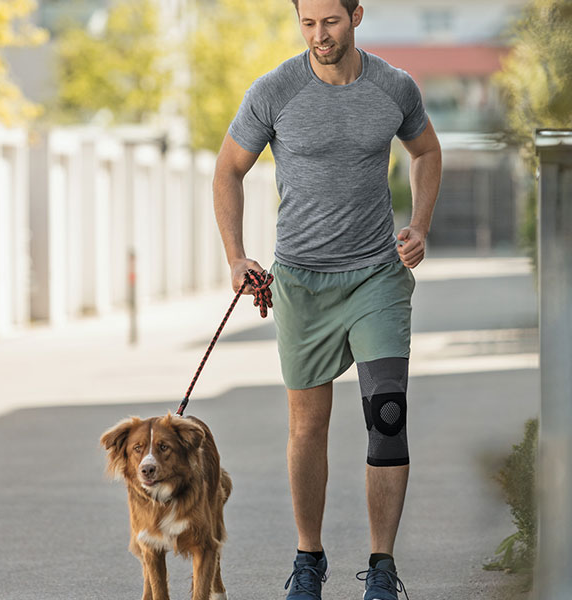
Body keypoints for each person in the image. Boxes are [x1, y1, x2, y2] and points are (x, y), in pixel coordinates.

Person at [213, 0, 442, 598]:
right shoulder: (274, 91)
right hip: (302, 282)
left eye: (331, 22)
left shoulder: (394, 86)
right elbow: (227, 170)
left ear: (357, 15)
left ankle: (382, 568)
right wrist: (237, 257)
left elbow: (426, 151)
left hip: (376, 275)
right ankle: (309, 559)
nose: (319, 35)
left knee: (387, 416)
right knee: (308, 428)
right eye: (308, 23)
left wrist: (419, 223)